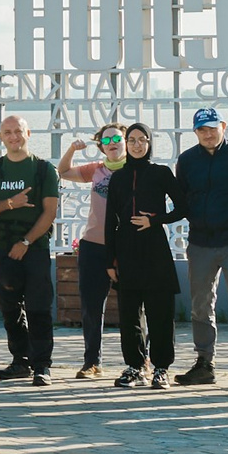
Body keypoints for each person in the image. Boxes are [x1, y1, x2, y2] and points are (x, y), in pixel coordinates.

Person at [175, 105, 228, 388]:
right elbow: (182, 200)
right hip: (200, 242)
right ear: (195, 132)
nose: (207, 134)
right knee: (200, 307)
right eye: (201, 129)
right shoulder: (187, 160)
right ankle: (204, 364)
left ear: (223, 126)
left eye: (212, 128)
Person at [0, 115, 57, 385]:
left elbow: (49, 213)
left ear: (28, 133)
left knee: (38, 307)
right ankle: (20, 360)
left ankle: (42, 365)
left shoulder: (44, 169)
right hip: (1, 247)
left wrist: (26, 243)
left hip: (34, 246)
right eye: (7, 132)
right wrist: (10, 203)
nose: (13, 137)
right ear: (1, 137)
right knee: (9, 306)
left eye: (18, 131)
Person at [107, 122, 186, 388]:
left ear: (150, 143)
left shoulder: (161, 173)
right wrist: (109, 261)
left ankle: (161, 367)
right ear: (126, 145)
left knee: (160, 311)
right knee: (129, 314)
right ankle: (135, 367)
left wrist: (156, 220)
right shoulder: (117, 177)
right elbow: (109, 221)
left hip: (154, 247)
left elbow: (183, 207)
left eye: (142, 140)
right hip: (126, 248)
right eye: (132, 140)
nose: (137, 145)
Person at [56, 125, 128, 380]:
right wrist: (71, 150)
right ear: (101, 146)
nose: (112, 142)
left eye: (117, 138)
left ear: (126, 141)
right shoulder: (97, 170)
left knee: (135, 306)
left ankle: (141, 360)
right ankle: (92, 362)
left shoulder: (136, 170)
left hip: (127, 246)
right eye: (107, 139)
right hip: (94, 244)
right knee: (91, 306)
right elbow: (63, 171)